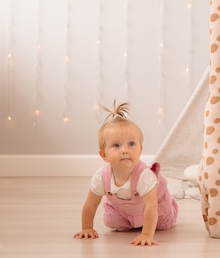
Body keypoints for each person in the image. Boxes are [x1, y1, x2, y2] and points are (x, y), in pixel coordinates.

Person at [73, 102, 178, 246]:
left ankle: (171, 206)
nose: (125, 150)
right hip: (124, 209)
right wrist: (87, 228)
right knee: (111, 222)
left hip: (155, 205)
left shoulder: (144, 176)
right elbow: (91, 204)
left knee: (164, 224)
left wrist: (146, 235)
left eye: (131, 144)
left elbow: (151, 207)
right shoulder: (101, 177)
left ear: (140, 150)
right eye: (116, 145)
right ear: (104, 155)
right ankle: (134, 221)